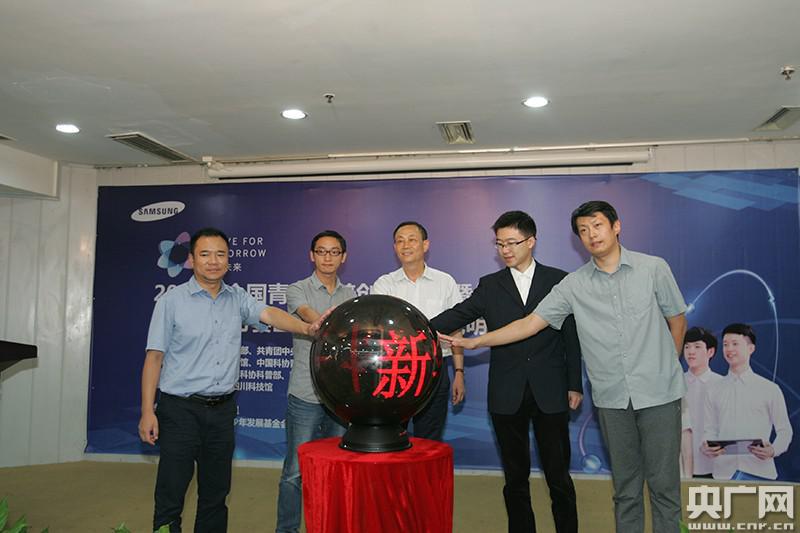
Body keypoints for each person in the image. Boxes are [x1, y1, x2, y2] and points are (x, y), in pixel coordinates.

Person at [442, 201, 688, 533]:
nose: (591, 235)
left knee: (663, 488)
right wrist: (475, 342)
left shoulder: (652, 268)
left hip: (656, 393)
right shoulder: (573, 284)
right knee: (625, 488)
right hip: (610, 396)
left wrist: (668, 366)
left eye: (597, 226)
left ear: (616, 226)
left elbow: (676, 319)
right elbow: (529, 324)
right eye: (583, 230)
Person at [138, 227, 324, 533]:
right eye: (205, 254)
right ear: (192, 259)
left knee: (216, 494)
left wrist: (306, 329)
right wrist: (148, 411)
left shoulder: (237, 297)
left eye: (220, 254)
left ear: (228, 259)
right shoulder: (171, 301)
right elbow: (154, 358)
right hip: (180, 410)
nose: (213, 261)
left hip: (222, 411)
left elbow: (269, 314)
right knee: (171, 491)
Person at [431, 210, 582, 533]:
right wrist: (416, 328)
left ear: (531, 241)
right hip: (506, 392)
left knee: (558, 477)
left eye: (512, 242)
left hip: (550, 390)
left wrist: (574, 384)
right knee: (515, 479)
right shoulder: (490, 285)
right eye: (500, 244)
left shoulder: (559, 280)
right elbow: (458, 314)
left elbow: (571, 337)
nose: (505, 250)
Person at [276, 230, 356, 533]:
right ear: (312, 255)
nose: (327, 258)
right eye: (321, 251)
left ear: (343, 257)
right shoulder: (297, 289)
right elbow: (307, 314)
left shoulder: (351, 296)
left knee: (336, 471)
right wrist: (327, 322)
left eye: (334, 252)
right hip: (304, 394)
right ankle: (287, 529)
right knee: (294, 473)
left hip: (339, 398)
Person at [372, 221, 465, 441]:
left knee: (429, 439)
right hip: (394, 371)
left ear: (425, 245)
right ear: (394, 247)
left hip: (435, 369)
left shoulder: (445, 282)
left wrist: (459, 372)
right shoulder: (384, 285)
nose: (405, 245)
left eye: (412, 239)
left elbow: (456, 331)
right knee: (391, 437)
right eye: (400, 241)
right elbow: (379, 331)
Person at [701, 323, 793, 480]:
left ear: (751, 348)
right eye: (725, 344)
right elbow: (709, 429)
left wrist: (773, 450)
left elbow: (785, 430)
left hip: (760, 473)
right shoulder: (713, 389)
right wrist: (706, 446)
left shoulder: (769, 389)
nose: (729, 349)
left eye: (735, 344)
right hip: (723, 475)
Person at [682, 327, 722, 478]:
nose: (691, 352)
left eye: (697, 347)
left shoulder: (722, 384)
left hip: (715, 466)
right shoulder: (676, 384)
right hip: (681, 467)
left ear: (710, 352)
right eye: (687, 347)